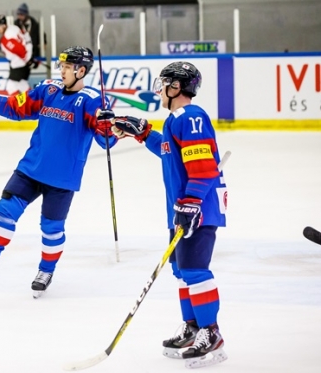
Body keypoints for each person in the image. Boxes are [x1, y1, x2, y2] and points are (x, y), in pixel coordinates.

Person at [0, 46, 119, 298]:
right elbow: (16, 107)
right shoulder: (48, 89)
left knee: (51, 228)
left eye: (66, 66)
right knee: (5, 209)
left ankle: (46, 270)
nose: (61, 70)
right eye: (61, 65)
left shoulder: (93, 100)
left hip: (62, 178)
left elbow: (106, 140)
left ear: (81, 70)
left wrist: (108, 126)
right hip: (31, 168)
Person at [110, 61, 228, 368]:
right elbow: (166, 148)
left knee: (195, 271)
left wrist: (190, 204)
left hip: (197, 210)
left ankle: (210, 332)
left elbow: (202, 167)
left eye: (164, 83)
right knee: (182, 272)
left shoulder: (191, 116)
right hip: (182, 209)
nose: (159, 89)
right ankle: (192, 327)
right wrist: (142, 132)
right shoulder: (176, 120)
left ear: (176, 87)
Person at [0, 15, 32, 95]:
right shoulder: (13, 27)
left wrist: (27, 60)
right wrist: (30, 56)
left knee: (11, 87)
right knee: (22, 86)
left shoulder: (6, 39)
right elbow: (26, 37)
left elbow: (20, 50)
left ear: (4, 25)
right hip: (23, 61)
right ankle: (34, 101)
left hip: (19, 65)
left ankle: (21, 105)